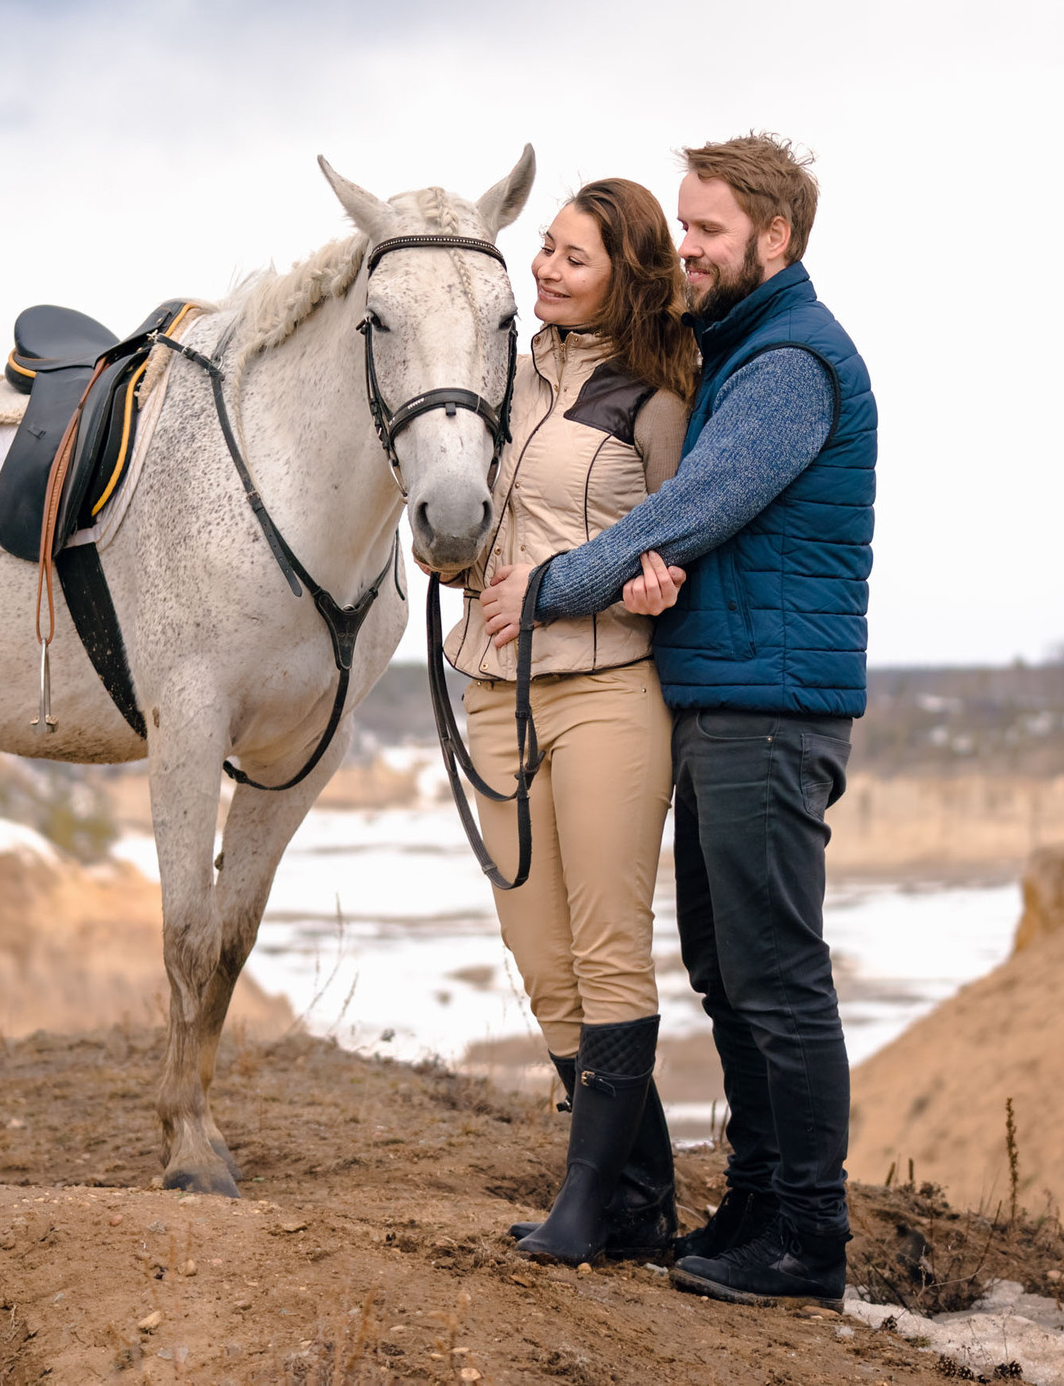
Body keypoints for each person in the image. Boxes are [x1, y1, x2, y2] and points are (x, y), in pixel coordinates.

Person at [478, 132, 875, 1309]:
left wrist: (558, 583)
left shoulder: (791, 364)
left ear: (775, 237)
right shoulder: (733, 349)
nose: (689, 249)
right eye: (686, 228)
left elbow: (701, 502)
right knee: (726, 970)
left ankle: (808, 1232)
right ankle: (755, 1201)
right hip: (715, 693)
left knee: (777, 977)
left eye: (708, 231)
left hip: (769, 703)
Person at [437, 176, 698, 1264]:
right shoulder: (497, 382)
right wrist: (445, 549)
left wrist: (633, 582)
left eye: (573, 257)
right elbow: (460, 515)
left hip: (605, 695)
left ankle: (589, 1207)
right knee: (540, 963)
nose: (544, 267)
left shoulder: (655, 397)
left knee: (604, 951)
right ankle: (639, 1200)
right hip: (493, 691)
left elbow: (678, 545)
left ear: (624, 278)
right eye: (543, 248)